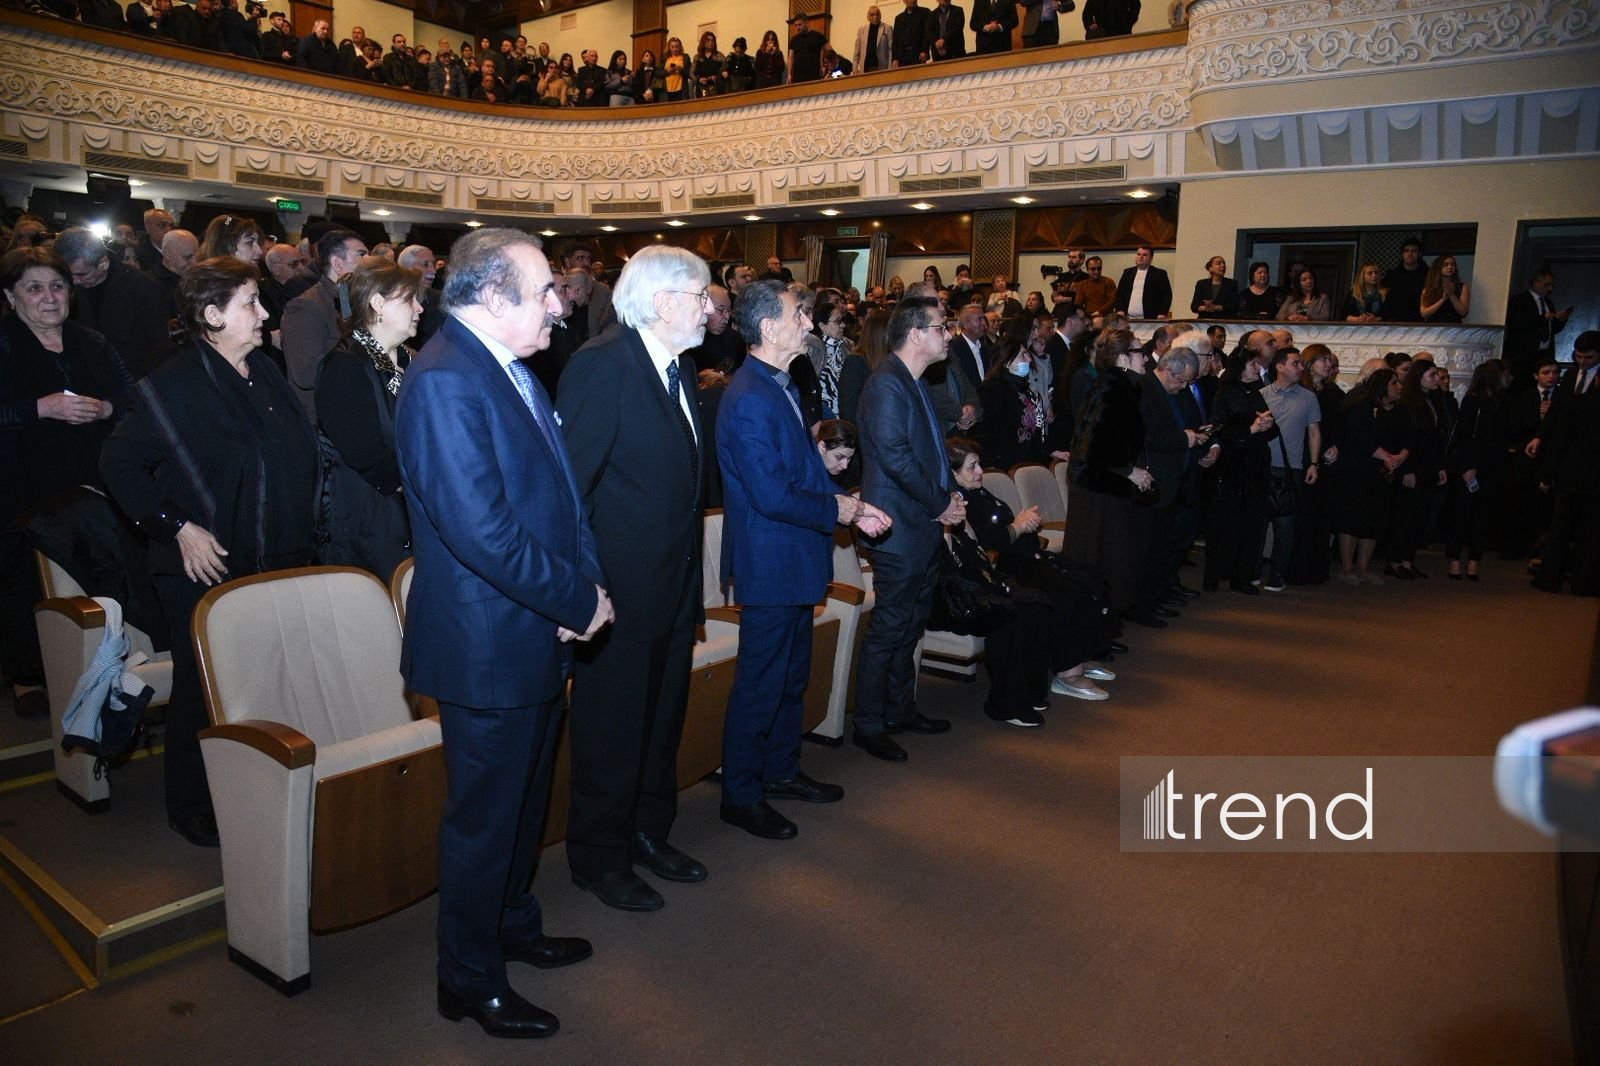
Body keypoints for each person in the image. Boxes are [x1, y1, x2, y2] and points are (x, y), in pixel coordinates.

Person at [394, 228, 604, 1039]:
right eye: (544, 289)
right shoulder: (446, 379)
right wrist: (577, 601)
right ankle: (468, 978)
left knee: (523, 804)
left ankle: (514, 927)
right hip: (487, 644)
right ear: (489, 295)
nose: (559, 305)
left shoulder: (509, 368)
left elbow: (565, 501)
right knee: (484, 823)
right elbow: (482, 532)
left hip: (535, 628)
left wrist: (583, 587)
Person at [100, 256, 318, 847]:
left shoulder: (262, 369)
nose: (264, 313)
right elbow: (118, 464)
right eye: (250, 303)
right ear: (212, 315)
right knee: (205, 688)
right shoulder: (171, 386)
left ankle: (253, 785)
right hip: (205, 564)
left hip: (273, 557)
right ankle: (192, 803)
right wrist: (176, 527)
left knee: (264, 681)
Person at [558, 246, 710, 913]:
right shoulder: (603, 364)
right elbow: (572, 491)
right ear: (660, 301)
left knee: (660, 721)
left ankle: (649, 834)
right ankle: (598, 856)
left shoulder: (680, 365)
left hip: (673, 584)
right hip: (617, 594)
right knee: (611, 730)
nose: (709, 309)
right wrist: (584, 588)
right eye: (699, 296)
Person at [715, 282, 890, 837]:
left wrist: (853, 508)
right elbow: (770, 495)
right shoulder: (749, 396)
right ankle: (741, 795)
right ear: (769, 327)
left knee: (791, 676)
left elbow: (807, 473)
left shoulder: (782, 384)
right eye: (799, 316)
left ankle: (781, 770)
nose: (809, 325)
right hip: (771, 561)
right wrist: (840, 509)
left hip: (794, 555)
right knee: (761, 683)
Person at [0, 249, 134, 722]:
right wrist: (41, 408)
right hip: (22, 486)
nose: (49, 297)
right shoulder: (5, 344)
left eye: (57, 287)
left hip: (91, 481)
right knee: (26, 584)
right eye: (34, 288)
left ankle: (102, 666)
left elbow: (131, 396)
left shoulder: (92, 342)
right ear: (10, 297)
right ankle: (28, 676)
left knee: (100, 575)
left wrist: (105, 409)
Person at [852, 296, 965, 762]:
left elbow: (931, 453)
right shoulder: (886, 384)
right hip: (897, 528)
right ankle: (869, 724)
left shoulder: (914, 380)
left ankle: (899, 710)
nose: (948, 334)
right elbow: (895, 457)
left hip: (921, 525)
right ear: (916, 334)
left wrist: (951, 495)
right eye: (941, 326)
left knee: (911, 624)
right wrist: (941, 503)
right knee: (890, 628)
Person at [314, 259, 420, 579]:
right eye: (410, 299)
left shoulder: (414, 361)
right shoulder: (345, 367)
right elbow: (367, 455)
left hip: (413, 510)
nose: (419, 308)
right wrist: (425, 483)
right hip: (371, 519)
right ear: (378, 304)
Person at [1064, 328, 1152, 620]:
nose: (1146, 358)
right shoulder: (1112, 389)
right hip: (1097, 491)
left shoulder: (1120, 386)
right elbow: (1091, 446)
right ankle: (1093, 625)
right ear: (1123, 358)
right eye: (1139, 352)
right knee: (1099, 560)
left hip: (1105, 487)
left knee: (1111, 560)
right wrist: (1128, 471)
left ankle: (1101, 623)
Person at [1202, 334, 1278, 594]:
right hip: (1231, 468)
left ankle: (1242, 577)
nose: (1258, 368)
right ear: (1240, 367)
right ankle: (1214, 575)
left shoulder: (1256, 393)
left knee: (1251, 525)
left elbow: (1271, 430)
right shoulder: (1225, 393)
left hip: (1255, 468)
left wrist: (1267, 425)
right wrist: (1251, 430)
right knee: (1225, 525)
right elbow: (1218, 430)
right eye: (1253, 364)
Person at [53, 226, 171, 381]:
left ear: (103, 263)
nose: (74, 281)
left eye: (82, 274)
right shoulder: (60, 286)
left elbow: (160, 344)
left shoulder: (141, 287)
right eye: (67, 274)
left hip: (130, 381)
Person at [1532, 331, 1600, 596]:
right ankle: (1550, 578)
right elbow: (1556, 412)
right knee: (1559, 525)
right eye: (1578, 357)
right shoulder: (1571, 376)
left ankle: (1585, 582)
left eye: (1588, 358)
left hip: (1594, 464)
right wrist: (1540, 436)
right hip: (1568, 463)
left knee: (1590, 528)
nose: (1582, 362)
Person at [282, 227, 367, 418]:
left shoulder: (353, 301)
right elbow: (306, 374)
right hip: (323, 420)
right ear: (337, 264)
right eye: (361, 255)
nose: (369, 262)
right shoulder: (306, 306)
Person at [1335, 371, 1405, 585]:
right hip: (1358, 470)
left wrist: (1398, 457)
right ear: (1382, 386)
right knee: (1352, 520)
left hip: (1381, 472)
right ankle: (1347, 569)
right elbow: (1360, 437)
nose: (1399, 387)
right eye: (1394, 383)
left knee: (1374, 520)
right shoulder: (1361, 407)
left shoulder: (1396, 411)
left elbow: (1405, 437)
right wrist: (1387, 457)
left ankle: (1364, 568)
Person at [1259, 347, 1321, 591]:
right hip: (1263, 467)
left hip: (1292, 469)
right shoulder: (1262, 394)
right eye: (1295, 363)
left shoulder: (1309, 397)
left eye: (1301, 364)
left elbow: (1314, 431)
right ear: (1280, 366)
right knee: (1259, 524)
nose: (1301, 368)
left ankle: (1278, 575)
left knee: (1285, 527)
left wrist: (1313, 463)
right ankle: (1252, 571)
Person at [1442, 359, 1509, 580]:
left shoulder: (1502, 401)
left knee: (1482, 515)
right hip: (1470, 465)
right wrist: (1468, 465)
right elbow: (1465, 436)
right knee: (1461, 514)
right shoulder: (1473, 400)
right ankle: (1454, 558)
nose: (1509, 378)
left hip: (1491, 465)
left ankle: (1474, 559)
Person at [1386, 357, 1450, 580]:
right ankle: (1395, 561)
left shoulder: (1433, 400)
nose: (1436, 379)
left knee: (1420, 516)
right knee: (1405, 516)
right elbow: (1405, 439)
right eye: (1432, 375)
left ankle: (1407, 560)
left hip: (1428, 466)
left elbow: (1436, 438)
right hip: (1411, 467)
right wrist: (1407, 470)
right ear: (1418, 378)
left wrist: (1440, 466)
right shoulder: (1406, 403)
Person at [1288, 343, 1343, 585]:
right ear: (1309, 363)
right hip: (1305, 458)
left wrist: (1336, 446)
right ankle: (1298, 569)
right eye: (1323, 360)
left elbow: (1340, 426)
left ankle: (1317, 569)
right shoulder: (1300, 391)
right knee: (1304, 515)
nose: (1328, 365)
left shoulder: (1332, 393)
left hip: (1328, 461)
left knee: (1322, 516)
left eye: (1329, 360)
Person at [1503, 270, 1571, 386]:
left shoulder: (1548, 303)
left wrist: (1561, 320)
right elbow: (1517, 324)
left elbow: (1551, 330)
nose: (1550, 289)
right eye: (1547, 285)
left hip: (1544, 353)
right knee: (1521, 386)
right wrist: (1542, 318)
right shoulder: (1519, 300)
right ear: (1535, 283)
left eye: (1552, 286)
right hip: (1523, 354)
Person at [1381, 237, 1428, 322]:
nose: (1410, 254)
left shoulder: (1427, 275)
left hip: (1420, 320)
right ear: (1402, 254)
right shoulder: (1393, 275)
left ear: (1419, 254)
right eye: (1406, 251)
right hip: (1396, 320)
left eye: (1414, 251)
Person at [1419, 255, 1469, 323]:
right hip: (1434, 325)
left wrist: (1451, 294)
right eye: (1446, 265)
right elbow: (1424, 313)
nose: (1450, 267)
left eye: (1452, 264)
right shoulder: (1429, 288)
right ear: (1438, 268)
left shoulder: (1462, 287)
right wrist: (1442, 300)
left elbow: (1463, 312)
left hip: (1454, 325)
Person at [1190, 255, 1237, 319]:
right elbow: (1194, 306)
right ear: (1210, 268)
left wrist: (1215, 307)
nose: (1223, 265)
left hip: (1223, 320)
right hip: (1204, 320)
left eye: (1224, 263)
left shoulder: (1231, 284)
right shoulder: (1201, 284)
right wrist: (1204, 307)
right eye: (1219, 263)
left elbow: (1233, 306)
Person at [787, 14, 828, 82]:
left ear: (806, 22)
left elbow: (830, 51)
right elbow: (790, 58)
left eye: (799, 24)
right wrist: (789, 74)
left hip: (813, 75)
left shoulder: (818, 36)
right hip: (797, 77)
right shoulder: (794, 39)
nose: (797, 27)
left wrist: (825, 66)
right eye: (796, 25)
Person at [853, 6, 893, 72]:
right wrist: (855, 68)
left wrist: (890, 68)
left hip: (882, 67)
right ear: (868, 17)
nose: (875, 17)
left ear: (880, 15)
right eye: (872, 15)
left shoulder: (888, 28)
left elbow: (890, 50)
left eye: (877, 14)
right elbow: (857, 51)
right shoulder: (861, 30)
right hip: (865, 67)